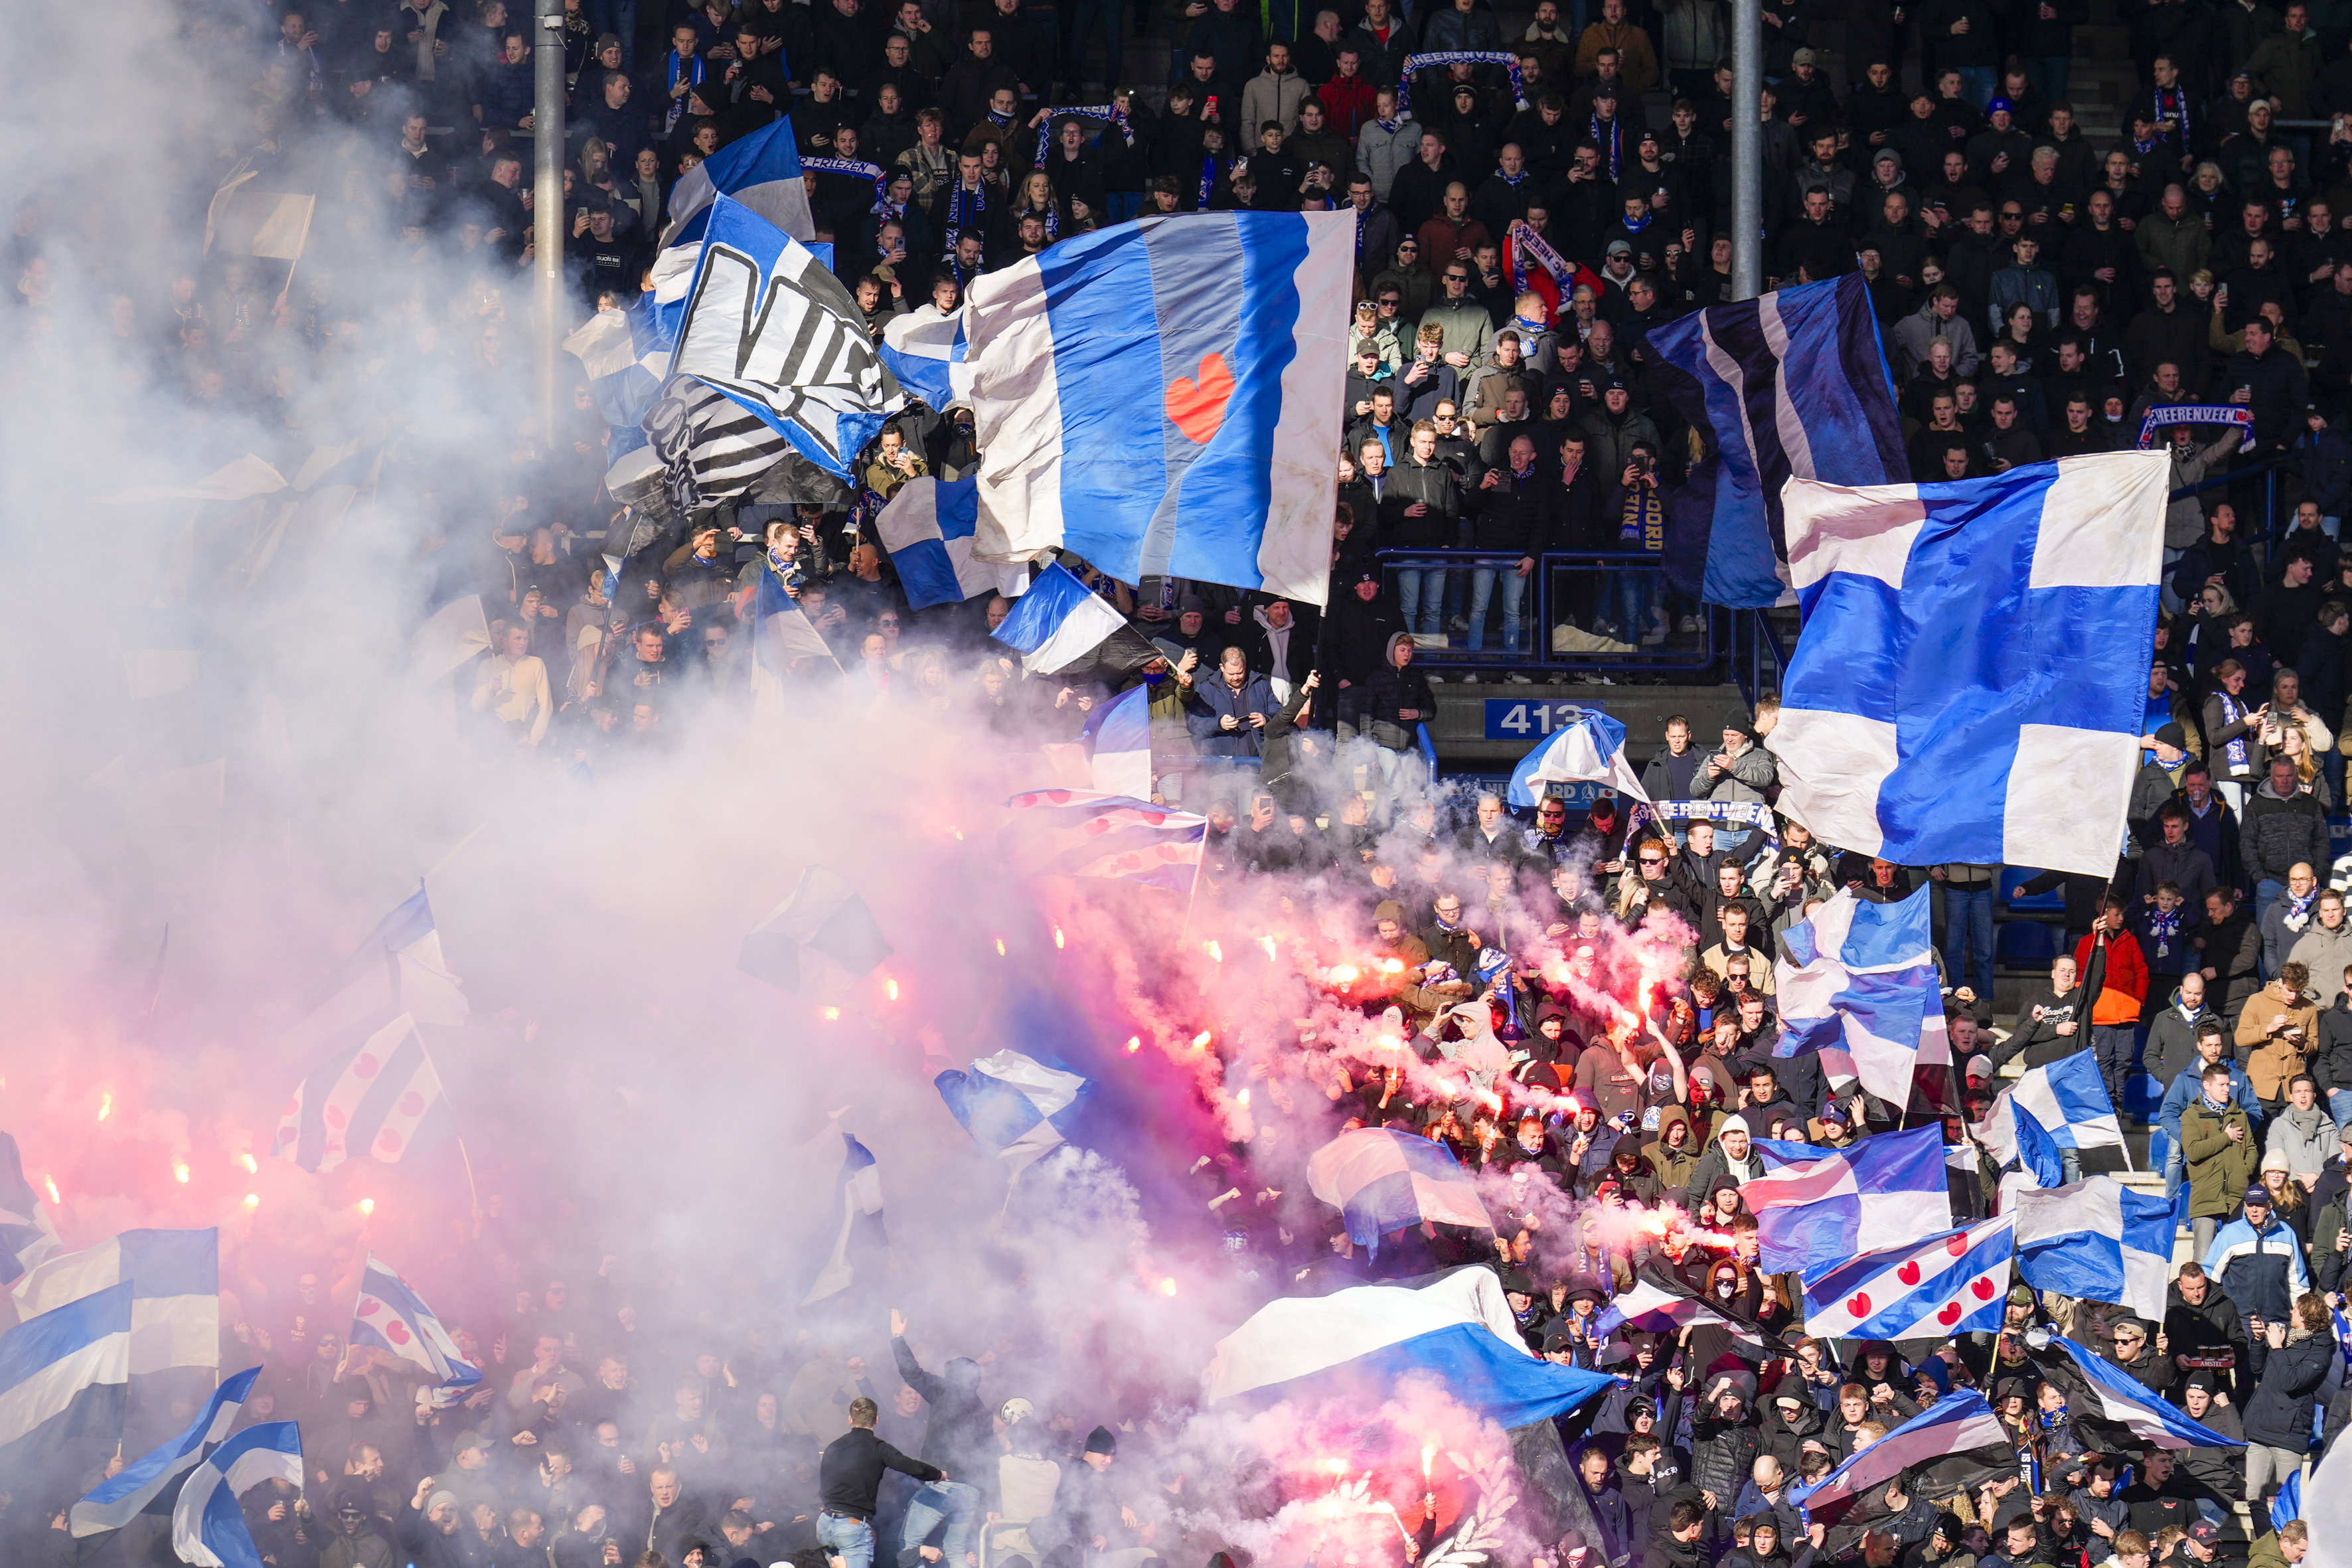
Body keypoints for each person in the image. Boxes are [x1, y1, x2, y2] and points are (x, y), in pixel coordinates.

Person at [819, 1396, 944, 1568]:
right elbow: (915, 1468)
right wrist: (938, 1475)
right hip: (851, 1528)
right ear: (876, 1420)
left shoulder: (833, 1447)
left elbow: (823, 1486)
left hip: (824, 1525)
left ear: (850, 1420)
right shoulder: (879, 1448)